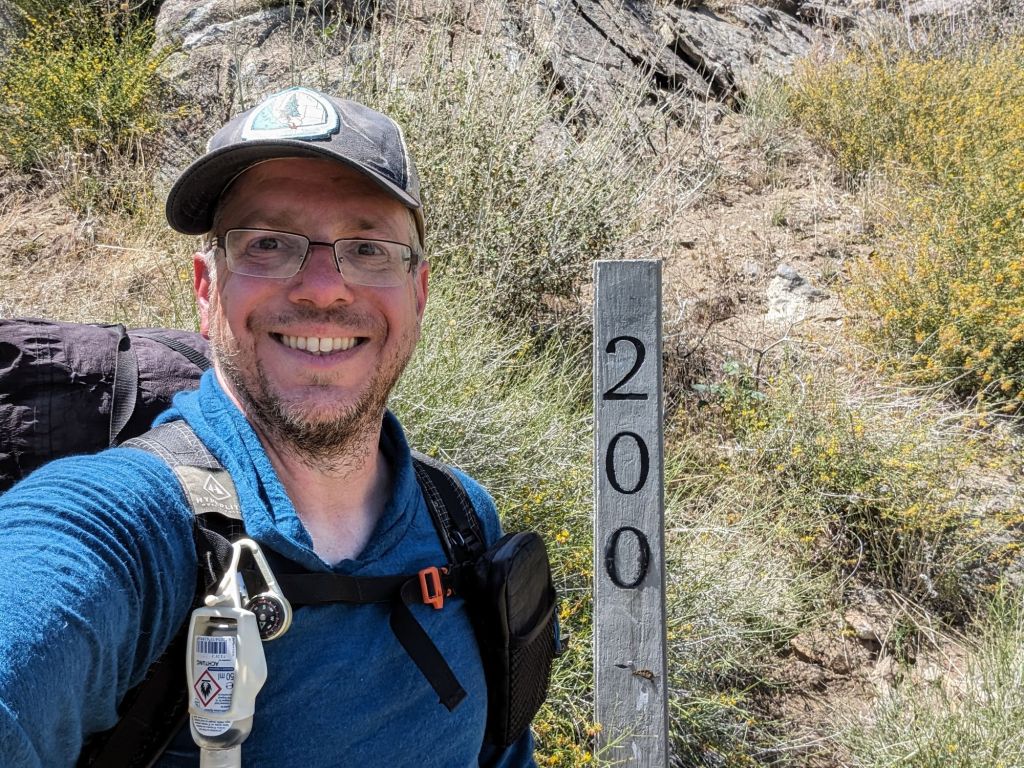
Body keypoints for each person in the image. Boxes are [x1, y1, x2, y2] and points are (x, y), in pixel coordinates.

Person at [0, 87, 535, 766]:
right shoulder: (128, 528)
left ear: (419, 294)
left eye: (368, 248)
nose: (323, 287)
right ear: (206, 290)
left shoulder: (459, 519)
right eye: (269, 244)